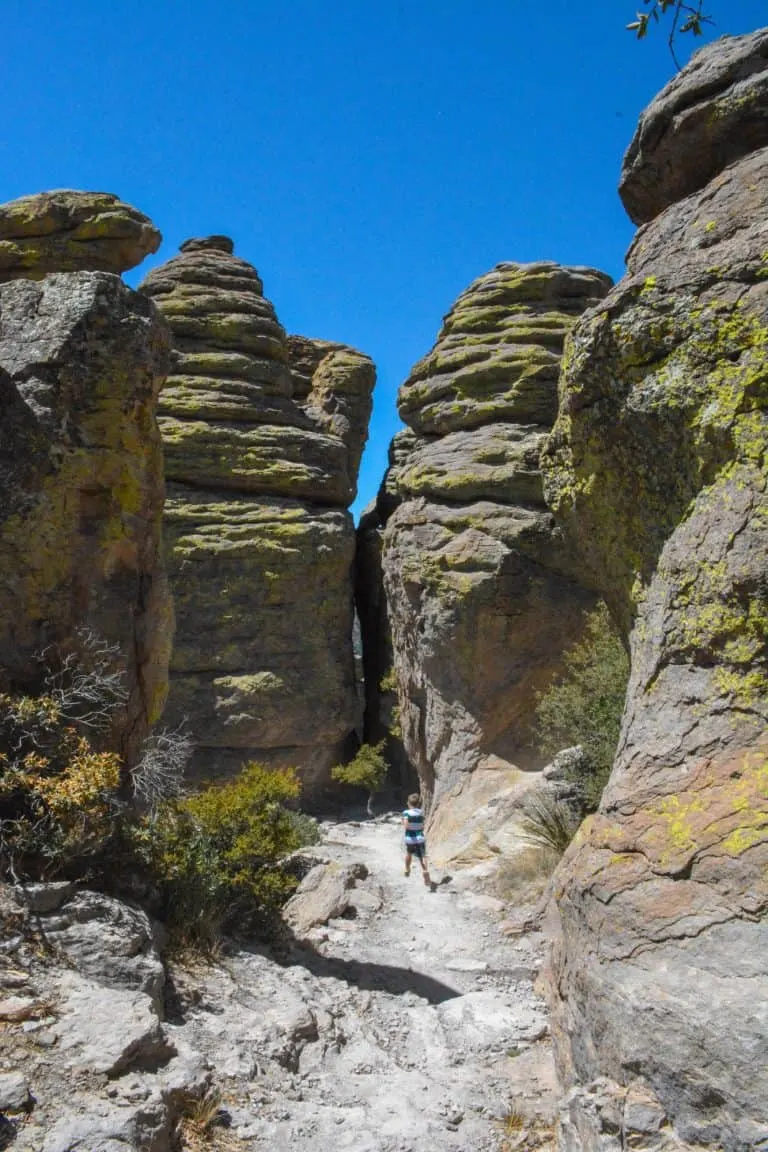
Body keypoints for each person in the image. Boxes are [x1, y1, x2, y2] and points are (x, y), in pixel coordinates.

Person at [402, 793, 432, 887]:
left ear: (408, 803)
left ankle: (407, 868)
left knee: (409, 853)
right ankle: (425, 870)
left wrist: (403, 823)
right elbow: (422, 825)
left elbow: (406, 825)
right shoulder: (421, 812)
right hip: (420, 838)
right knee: (422, 856)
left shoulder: (406, 812)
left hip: (410, 838)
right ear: (418, 804)